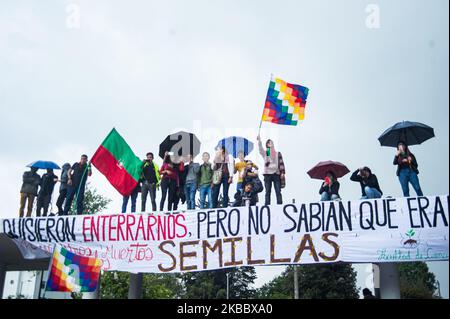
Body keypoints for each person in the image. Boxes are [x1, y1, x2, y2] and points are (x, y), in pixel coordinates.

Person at [257, 135, 285, 205]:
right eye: (269, 142)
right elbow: (260, 150)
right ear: (267, 145)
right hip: (267, 174)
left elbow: (281, 163)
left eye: (271, 142)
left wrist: (282, 173)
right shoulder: (266, 153)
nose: (271, 143)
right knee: (267, 191)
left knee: (278, 191)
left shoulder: (277, 153)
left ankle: (280, 205)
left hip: (276, 173)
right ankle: (267, 206)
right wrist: (259, 141)